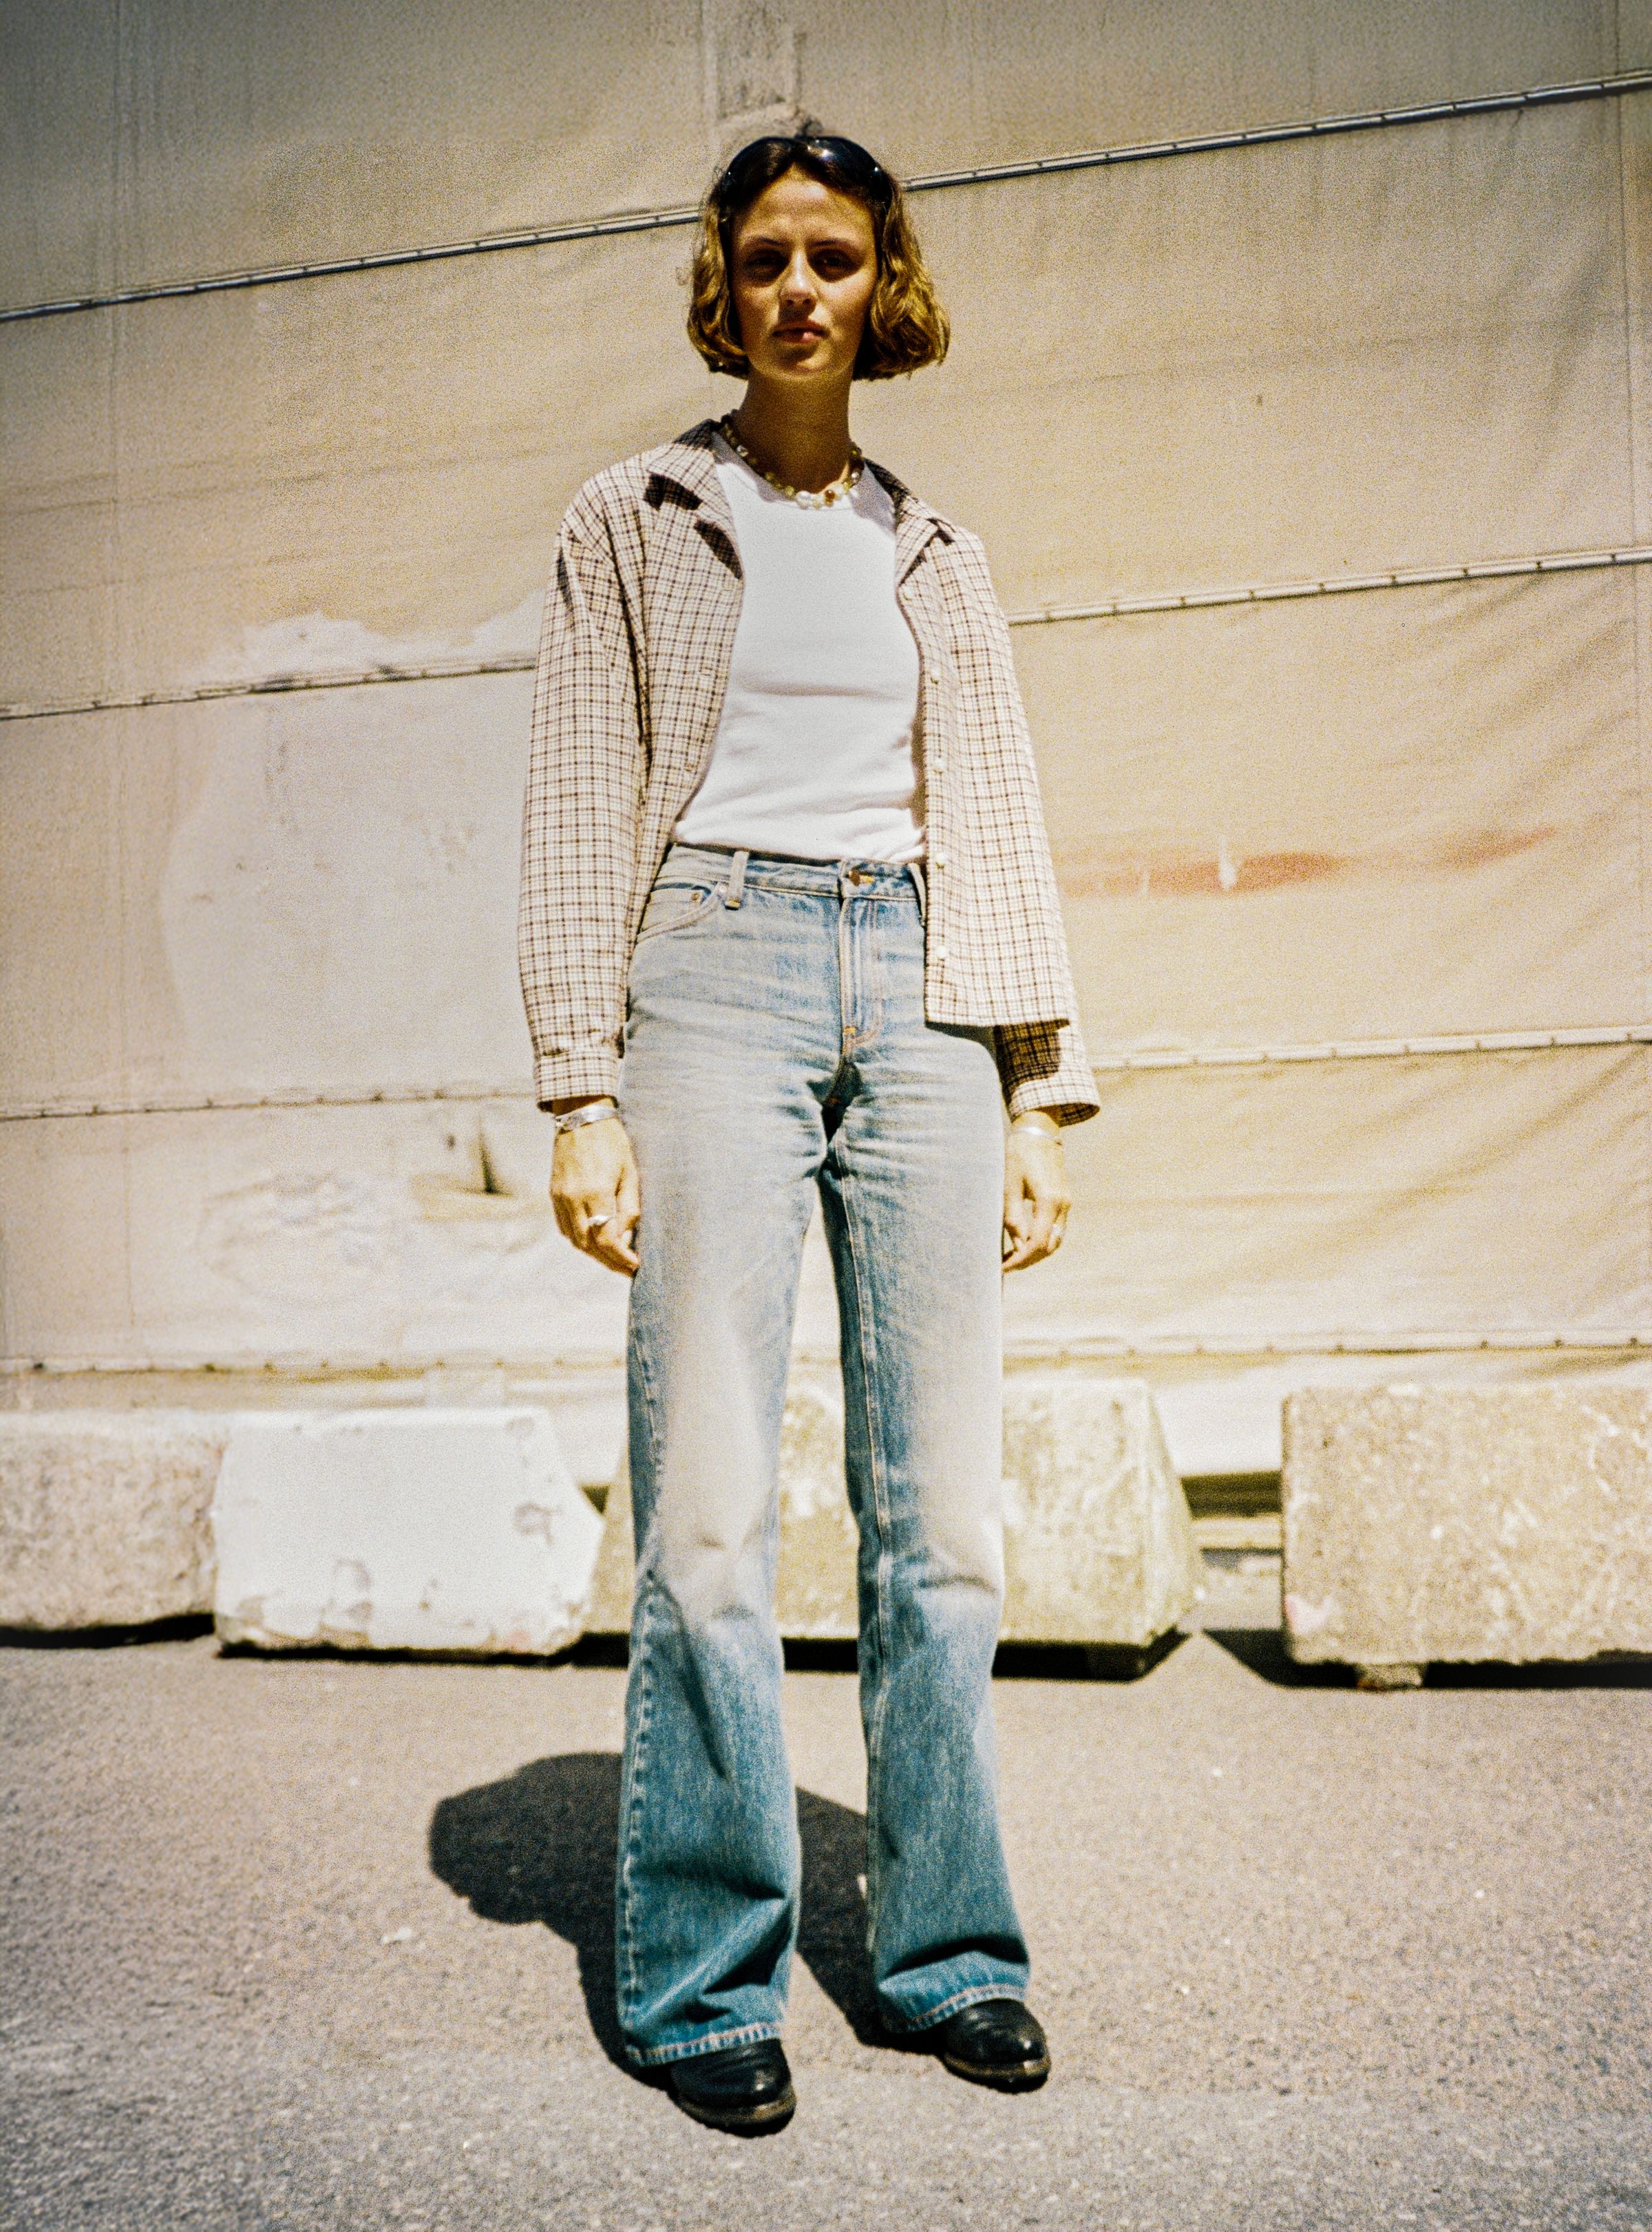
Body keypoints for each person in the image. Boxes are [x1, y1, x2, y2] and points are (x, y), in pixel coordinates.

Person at [519, 128, 1097, 2136]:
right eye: (765, 254)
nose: (798, 287)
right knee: (704, 1510)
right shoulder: (634, 515)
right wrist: (578, 1084)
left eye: (834, 256)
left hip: (927, 990)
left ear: (883, 285)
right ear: (726, 281)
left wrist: (1039, 1090)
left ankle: (950, 1953)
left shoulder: (941, 549)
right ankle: (699, 1978)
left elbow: (998, 824)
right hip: (716, 969)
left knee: (941, 1515)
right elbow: (585, 795)